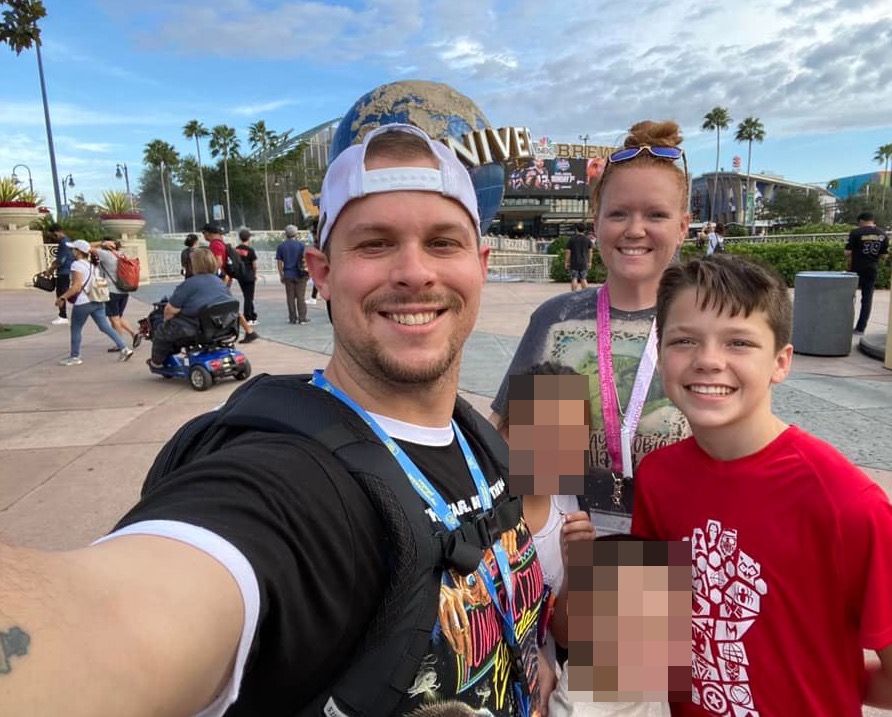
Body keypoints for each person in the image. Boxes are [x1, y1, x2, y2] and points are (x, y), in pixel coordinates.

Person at [0, 123, 544, 716]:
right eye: (374, 244)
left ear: (481, 264)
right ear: (323, 271)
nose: (415, 272)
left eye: (443, 242)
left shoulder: (480, 440)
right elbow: (114, 618)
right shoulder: (288, 482)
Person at [631, 254, 892, 715]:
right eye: (684, 340)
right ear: (660, 355)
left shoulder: (847, 504)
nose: (708, 360)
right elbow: (647, 636)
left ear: (781, 362)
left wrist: (823, 678)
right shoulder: (658, 476)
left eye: (739, 342)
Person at [492, 120, 692, 536]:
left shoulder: (705, 325)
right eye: (618, 214)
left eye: (656, 215)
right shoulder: (559, 321)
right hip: (568, 541)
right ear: (596, 222)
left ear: (683, 226)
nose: (634, 229)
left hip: (673, 545)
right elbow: (531, 470)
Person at [146, 247, 233, 368]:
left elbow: (170, 310)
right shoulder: (220, 282)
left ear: (194, 265)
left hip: (195, 328)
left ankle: (156, 362)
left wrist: (166, 321)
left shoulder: (189, 284)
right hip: (221, 326)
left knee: (162, 330)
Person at [54, 238, 134, 365]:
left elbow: (76, 286)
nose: (72, 251)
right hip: (97, 301)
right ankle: (124, 348)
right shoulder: (93, 266)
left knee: (76, 329)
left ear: (79, 251)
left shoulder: (77, 265)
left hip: (83, 302)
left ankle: (75, 357)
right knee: (105, 327)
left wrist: (62, 297)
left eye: (74, 249)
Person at [200, 222, 259, 344]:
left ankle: (244, 331)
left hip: (220, 280)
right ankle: (248, 331)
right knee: (227, 304)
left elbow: (219, 262)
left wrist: (209, 274)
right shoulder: (220, 243)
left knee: (225, 305)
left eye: (204, 233)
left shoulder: (215, 244)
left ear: (209, 233)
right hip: (224, 279)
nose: (203, 235)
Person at [93, 238, 142, 351]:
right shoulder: (121, 255)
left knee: (114, 319)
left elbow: (85, 247)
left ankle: (120, 344)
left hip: (112, 291)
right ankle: (134, 333)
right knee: (118, 317)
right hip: (124, 290)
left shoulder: (104, 254)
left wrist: (101, 243)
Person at [845, 210, 889, 335]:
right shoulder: (882, 234)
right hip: (871, 268)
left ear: (861, 221)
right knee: (867, 298)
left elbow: (847, 252)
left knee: (848, 297)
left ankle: (844, 324)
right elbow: (884, 256)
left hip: (856, 269)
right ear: (873, 221)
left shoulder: (856, 233)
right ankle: (860, 328)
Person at [275, 224, 309, 324]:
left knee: (290, 297)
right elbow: (306, 260)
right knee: (301, 297)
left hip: (288, 274)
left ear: (286, 234)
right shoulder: (301, 245)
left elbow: (279, 262)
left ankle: (292, 318)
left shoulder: (281, 246)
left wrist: (281, 274)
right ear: (296, 233)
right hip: (300, 274)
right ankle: (302, 318)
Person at [50, 223, 73, 325]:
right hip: (68, 271)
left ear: (56, 232)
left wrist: (50, 269)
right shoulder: (68, 241)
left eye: (53, 235)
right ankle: (62, 315)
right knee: (63, 293)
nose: (53, 238)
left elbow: (61, 260)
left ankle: (62, 316)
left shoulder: (64, 243)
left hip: (64, 272)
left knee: (61, 294)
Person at [235, 228, 258, 325]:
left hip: (240, 276)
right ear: (248, 238)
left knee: (247, 296)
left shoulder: (236, 249)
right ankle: (247, 317)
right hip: (249, 275)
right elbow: (254, 264)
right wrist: (255, 274)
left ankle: (253, 315)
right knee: (249, 297)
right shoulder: (250, 250)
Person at [564, 223, 593, 292]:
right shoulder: (587, 240)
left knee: (574, 278)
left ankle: (573, 293)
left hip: (574, 262)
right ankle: (586, 294)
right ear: (584, 230)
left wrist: (566, 262)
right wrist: (590, 262)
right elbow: (590, 252)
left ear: (576, 229)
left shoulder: (572, 239)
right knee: (583, 278)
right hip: (584, 262)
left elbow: (568, 252)